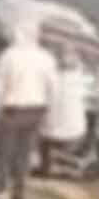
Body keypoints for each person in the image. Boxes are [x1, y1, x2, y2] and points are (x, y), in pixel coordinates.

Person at [0, 21, 58, 199]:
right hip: (36, 110)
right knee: (23, 157)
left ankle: (1, 190)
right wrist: (50, 114)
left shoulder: (8, 56)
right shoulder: (46, 58)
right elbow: (53, 88)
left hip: (10, 109)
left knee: (2, 154)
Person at [38, 46, 90, 178]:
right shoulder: (83, 80)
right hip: (75, 133)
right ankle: (72, 161)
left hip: (49, 132)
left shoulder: (48, 78)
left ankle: (50, 163)